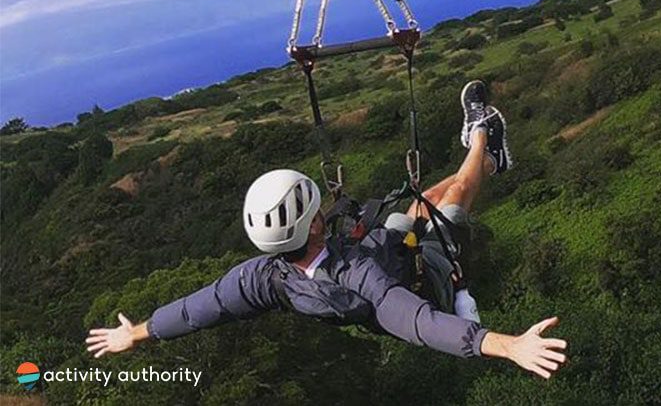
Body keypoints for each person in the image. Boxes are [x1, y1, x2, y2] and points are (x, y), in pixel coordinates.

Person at [85, 81, 567, 379]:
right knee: (455, 195)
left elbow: (200, 309)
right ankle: (485, 134)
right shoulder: (358, 276)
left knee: (421, 201)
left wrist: (140, 334)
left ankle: (482, 152)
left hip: (389, 249)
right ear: (315, 223)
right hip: (424, 275)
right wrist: (508, 346)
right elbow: (420, 322)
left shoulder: (266, 278)